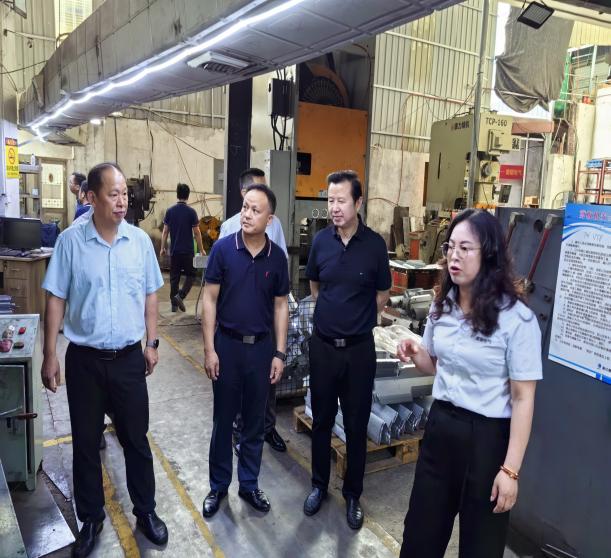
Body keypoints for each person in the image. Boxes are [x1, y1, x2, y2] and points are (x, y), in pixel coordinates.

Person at [397, 209, 542, 558]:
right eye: (450, 247)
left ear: (489, 254)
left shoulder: (517, 319)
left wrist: (510, 471)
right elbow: (436, 366)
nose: (454, 256)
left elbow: (523, 398)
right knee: (420, 536)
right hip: (441, 429)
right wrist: (417, 353)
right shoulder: (441, 306)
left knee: (481, 546)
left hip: (488, 441)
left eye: (465, 248)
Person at [41, 162, 168, 558]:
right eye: (113, 194)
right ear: (91, 198)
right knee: (85, 443)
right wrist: (50, 354)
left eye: (124, 194)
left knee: (136, 440)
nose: (121, 201)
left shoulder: (139, 242)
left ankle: (145, 511)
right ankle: (91, 518)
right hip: (85, 362)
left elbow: (150, 295)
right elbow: (55, 297)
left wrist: (152, 343)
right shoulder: (70, 242)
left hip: (129, 360)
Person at [303, 170, 391, 530]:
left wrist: (357, 319)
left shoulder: (375, 246)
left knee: (356, 425)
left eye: (341, 200)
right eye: (330, 200)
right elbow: (314, 286)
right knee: (321, 420)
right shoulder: (320, 242)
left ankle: (353, 494)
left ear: (358, 202)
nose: (334, 207)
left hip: (358, 352)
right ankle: (318, 485)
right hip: (324, 348)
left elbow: (382, 294)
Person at [201, 183, 289, 518]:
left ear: (270, 219)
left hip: (261, 350)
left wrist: (279, 353)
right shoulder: (223, 250)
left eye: (255, 210)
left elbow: (281, 306)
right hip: (227, 347)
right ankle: (218, 486)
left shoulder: (277, 258)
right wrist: (210, 349)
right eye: (245, 207)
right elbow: (209, 300)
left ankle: (249, 485)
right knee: (223, 421)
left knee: (254, 422)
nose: (247, 214)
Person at [219, 167, 288, 454]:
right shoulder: (228, 229)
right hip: (236, 321)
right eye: (255, 191)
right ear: (243, 194)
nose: (262, 195)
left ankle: (267, 427)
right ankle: (238, 430)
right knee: (237, 383)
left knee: (267, 380)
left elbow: (280, 265)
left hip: (265, 316)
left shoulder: (275, 224)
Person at [160, 183, 205, 312]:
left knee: (174, 277)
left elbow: (165, 231)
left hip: (175, 251)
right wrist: (201, 249)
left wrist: (162, 248)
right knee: (191, 275)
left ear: (177, 194)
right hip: (188, 251)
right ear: (188, 195)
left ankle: (174, 305)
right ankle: (180, 296)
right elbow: (197, 233)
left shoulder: (170, 211)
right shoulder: (191, 212)